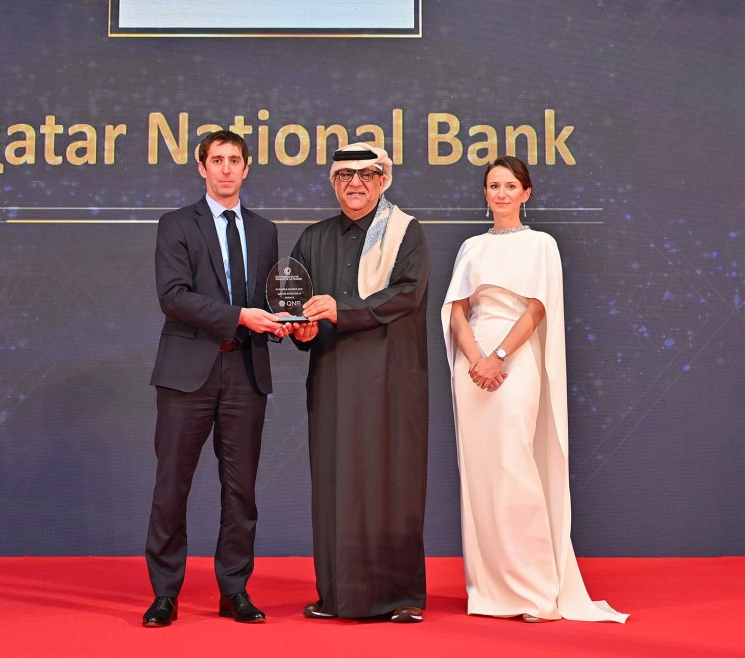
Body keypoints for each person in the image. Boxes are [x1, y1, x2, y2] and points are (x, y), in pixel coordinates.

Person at [441, 156, 627, 624]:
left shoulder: (541, 245)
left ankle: (534, 589)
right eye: (493, 186)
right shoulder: (470, 247)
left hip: (513, 362)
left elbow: (535, 311)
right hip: (472, 367)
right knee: (480, 475)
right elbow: (457, 311)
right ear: (485, 194)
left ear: (527, 193)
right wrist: (474, 357)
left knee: (514, 464)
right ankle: (490, 590)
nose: (500, 193)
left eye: (510, 185)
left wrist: (497, 357)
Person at [142, 130, 292, 628]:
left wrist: (291, 323)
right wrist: (240, 317)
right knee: (171, 487)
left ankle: (234, 589)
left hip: (246, 372)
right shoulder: (175, 225)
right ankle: (165, 594)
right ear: (202, 168)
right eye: (217, 160)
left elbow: (268, 303)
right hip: (188, 374)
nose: (226, 169)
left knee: (241, 491)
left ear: (246, 168)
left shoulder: (265, 230)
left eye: (235, 160)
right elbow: (173, 296)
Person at [290, 143, 430, 623]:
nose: (355, 184)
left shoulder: (405, 232)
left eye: (367, 175)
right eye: (345, 175)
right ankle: (336, 596)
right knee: (335, 482)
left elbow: (407, 295)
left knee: (393, 480)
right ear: (332, 182)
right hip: (332, 377)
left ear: (383, 181)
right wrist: (301, 328)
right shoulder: (312, 239)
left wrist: (340, 310)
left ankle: (400, 597)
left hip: (390, 376)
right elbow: (297, 308)